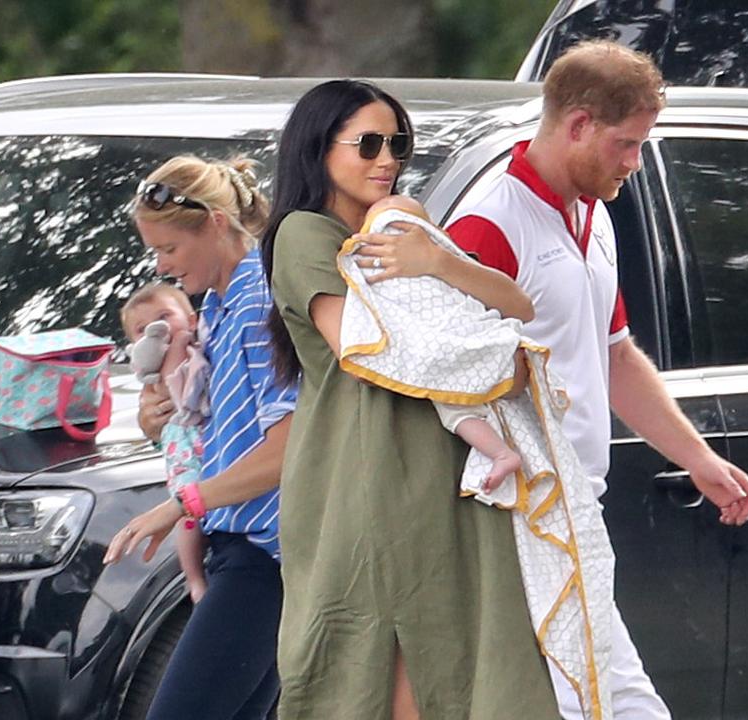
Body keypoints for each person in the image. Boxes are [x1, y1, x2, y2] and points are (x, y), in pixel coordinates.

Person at [446, 41, 748, 720]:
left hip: (576, 508)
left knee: (611, 700)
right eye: (625, 144)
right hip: (515, 519)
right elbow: (441, 378)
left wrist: (697, 457)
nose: (634, 162)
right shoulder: (488, 227)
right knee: (608, 702)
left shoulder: (595, 218)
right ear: (577, 123)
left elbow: (614, 356)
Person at [261, 78, 560, 720]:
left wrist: (438, 262)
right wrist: (493, 362)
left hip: (447, 474)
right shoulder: (303, 235)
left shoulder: (403, 227)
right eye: (368, 143)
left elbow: (519, 305)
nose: (387, 160)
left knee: (460, 657)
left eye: (398, 144)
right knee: (379, 668)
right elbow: (367, 348)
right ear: (317, 148)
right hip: (365, 481)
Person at [102, 155, 297, 720]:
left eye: (169, 250)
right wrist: (157, 416)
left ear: (215, 222)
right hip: (240, 547)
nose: (162, 268)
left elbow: (289, 446)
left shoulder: (261, 303)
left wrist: (181, 504)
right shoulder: (217, 305)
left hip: (267, 553)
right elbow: (215, 419)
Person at [347, 194, 520, 491]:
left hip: (453, 332)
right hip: (443, 344)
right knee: (455, 407)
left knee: (456, 407)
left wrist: (437, 260)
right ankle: (502, 453)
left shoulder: (437, 258)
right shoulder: (362, 250)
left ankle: (502, 453)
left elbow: (522, 307)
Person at [120, 281, 210, 604]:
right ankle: (194, 579)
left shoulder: (208, 346)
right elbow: (165, 390)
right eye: (142, 329)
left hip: (214, 454)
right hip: (184, 450)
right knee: (186, 513)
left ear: (192, 318)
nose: (156, 330)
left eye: (164, 317)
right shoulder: (152, 369)